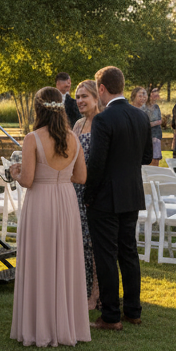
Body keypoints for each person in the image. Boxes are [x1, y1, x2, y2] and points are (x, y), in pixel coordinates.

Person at [8, 87, 91, 347]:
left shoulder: (32, 138)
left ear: (38, 108)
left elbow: (28, 180)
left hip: (41, 204)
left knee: (40, 260)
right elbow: (81, 177)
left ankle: (39, 328)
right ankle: (66, 325)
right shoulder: (73, 138)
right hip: (66, 202)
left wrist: (15, 173)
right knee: (65, 262)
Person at [84, 66, 153, 330]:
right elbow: (147, 157)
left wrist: (88, 196)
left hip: (105, 198)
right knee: (128, 252)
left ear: (101, 89)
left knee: (106, 254)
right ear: (122, 85)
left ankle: (111, 315)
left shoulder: (103, 119)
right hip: (132, 192)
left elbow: (98, 163)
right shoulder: (140, 116)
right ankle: (133, 310)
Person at [72, 80, 102, 309]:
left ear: (95, 97)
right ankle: (81, 289)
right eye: (77, 97)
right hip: (76, 191)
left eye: (84, 96)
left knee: (94, 244)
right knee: (80, 242)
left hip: (97, 191)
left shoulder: (103, 123)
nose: (80, 101)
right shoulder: (78, 124)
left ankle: (96, 295)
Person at [135, 86, 163, 165]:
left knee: (156, 161)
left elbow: (160, 120)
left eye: (157, 91)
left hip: (157, 137)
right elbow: (142, 123)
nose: (156, 94)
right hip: (147, 138)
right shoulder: (143, 108)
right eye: (154, 91)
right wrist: (155, 123)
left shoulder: (156, 107)